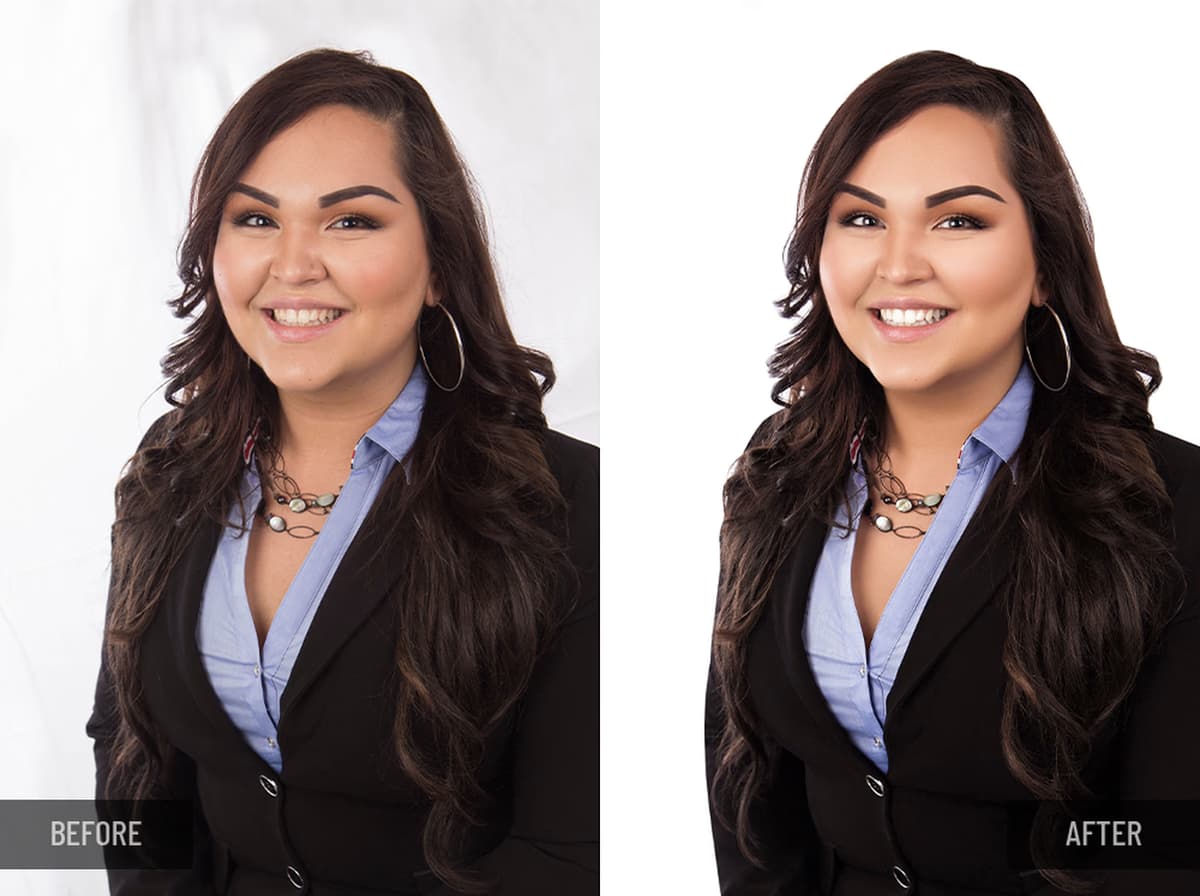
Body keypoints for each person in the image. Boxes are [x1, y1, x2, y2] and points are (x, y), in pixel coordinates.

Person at [87, 48, 598, 895]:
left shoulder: (573, 505)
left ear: (440, 263)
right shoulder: (166, 474)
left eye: (350, 221)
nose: (293, 266)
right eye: (254, 220)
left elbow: (568, 853)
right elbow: (127, 754)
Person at [706, 50, 1200, 895]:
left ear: (1046, 262)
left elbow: (1164, 844)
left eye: (958, 221)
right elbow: (753, 801)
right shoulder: (778, 471)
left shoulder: (1171, 504)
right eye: (860, 220)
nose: (898, 266)